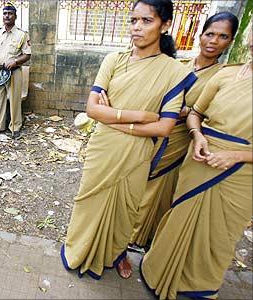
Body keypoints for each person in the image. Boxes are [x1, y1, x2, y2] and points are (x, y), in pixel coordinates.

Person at [61, 0, 197, 280]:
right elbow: (92, 109)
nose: (137, 27)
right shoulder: (114, 60)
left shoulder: (174, 73)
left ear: (165, 25)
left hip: (136, 154)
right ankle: (80, 250)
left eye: (146, 21)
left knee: (125, 210)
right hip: (103, 148)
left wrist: (114, 117)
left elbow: (164, 127)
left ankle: (113, 254)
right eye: (133, 20)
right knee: (89, 202)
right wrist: (141, 116)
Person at [140, 30, 252, 300]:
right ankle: (159, 272)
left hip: (240, 171)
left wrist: (236, 156)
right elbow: (197, 114)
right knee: (180, 215)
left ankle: (198, 285)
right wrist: (197, 135)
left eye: (222, 36)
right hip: (200, 156)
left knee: (219, 233)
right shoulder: (227, 75)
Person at [130, 12, 239, 249]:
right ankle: (129, 232)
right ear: (201, 35)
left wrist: (183, 111)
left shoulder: (225, 76)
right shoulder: (179, 66)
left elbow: (210, 112)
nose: (213, 41)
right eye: (210, 34)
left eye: (222, 36)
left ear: (230, 42)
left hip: (183, 138)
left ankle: (141, 237)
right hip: (155, 131)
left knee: (162, 186)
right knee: (139, 182)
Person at [0, 2, 31, 139]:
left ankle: (15, 127)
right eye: (5, 13)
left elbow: (27, 54)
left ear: (15, 16)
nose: (7, 16)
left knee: (15, 100)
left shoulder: (22, 35)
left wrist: (16, 61)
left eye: (10, 14)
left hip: (14, 72)